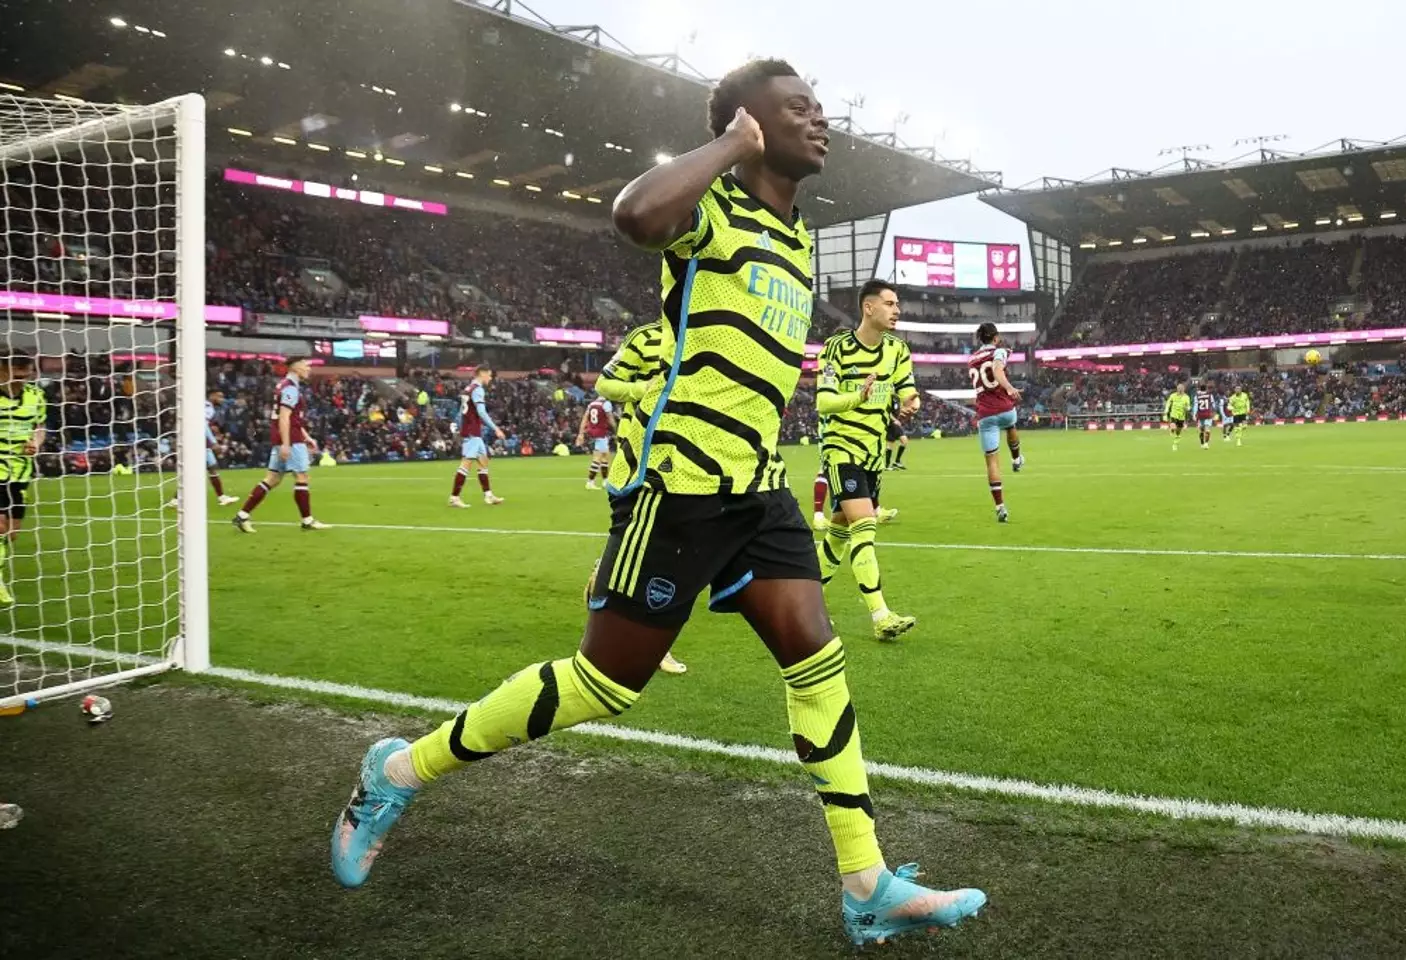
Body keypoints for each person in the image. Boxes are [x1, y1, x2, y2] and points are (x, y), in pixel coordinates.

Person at [329, 59, 985, 948]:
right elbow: (635, 216)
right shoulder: (712, 208)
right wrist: (723, 146)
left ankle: (866, 882)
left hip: (759, 490)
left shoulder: (797, 241)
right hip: (678, 493)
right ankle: (398, 770)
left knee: (817, 663)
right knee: (605, 684)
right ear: (750, 125)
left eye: (820, 108)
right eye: (798, 109)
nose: (820, 120)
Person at [814, 279, 919, 642]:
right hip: (841, 448)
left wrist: (910, 401)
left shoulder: (897, 350)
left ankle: (806, 603)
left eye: (898, 304)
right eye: (890, 303)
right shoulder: (835, 349)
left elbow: (907, 387)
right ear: (868, 308)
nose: (897, 310)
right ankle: (880, 614)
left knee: (840, 532)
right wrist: (857, 397)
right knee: (865, 525)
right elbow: (823, 403)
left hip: (874, 455)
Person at [595, 321, 686, 674]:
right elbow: (605, 382)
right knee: (660, 546)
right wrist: (644, 389)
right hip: (642, 455)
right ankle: (651, 644)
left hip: (687, 455)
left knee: (665, 545)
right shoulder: (644, 337)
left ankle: (602, 582)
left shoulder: (706, 330)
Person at [232, 357, 329, 533]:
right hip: (290, 439)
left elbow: (291, 417)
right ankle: (307, 520)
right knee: (302, 477)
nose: (309, 369)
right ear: (296, 367)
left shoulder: (283, 385)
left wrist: (306, 436)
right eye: (306, 366)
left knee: (273, 478)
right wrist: (286, 444)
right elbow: (284, 417)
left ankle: (242, 516)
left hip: (286, 436)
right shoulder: (290, 388)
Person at [0, 350, 46, 605]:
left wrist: (35, 443)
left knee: (11, 534)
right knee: (0, 526)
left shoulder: (36, 396)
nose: (20, 381)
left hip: (20, 470)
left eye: (25, 375)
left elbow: (40, 427)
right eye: (15, 375)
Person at [967, 323, 1023, 523]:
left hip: (986, 414)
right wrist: (1008, 387)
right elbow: (998, 370)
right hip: (1005, 408)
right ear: (996, 337)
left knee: (992, 461)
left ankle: (1000, 507)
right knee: (1010, 425)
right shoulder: (999, 351)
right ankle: (1016, 459)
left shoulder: (971, 359)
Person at [448, 369, 505, 508]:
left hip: (471, 429)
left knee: (483, 462)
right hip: (472, 430)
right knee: (466, 463)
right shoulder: (478, 389)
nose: (490, 378)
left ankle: (488, 495)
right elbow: (481, 412)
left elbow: (463, 409)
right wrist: (495, 428)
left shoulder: (468, 388)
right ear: (482, 374)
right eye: (489, 375)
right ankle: (454, 497)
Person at [574, 397, 615, 490]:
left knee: (605, 457)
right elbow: (610, 419)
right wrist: (616, 429)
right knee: (598, 458)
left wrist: (581, 433)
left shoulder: (592, 404)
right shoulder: (606, 404)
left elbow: (585, 419)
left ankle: (605, 481)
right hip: (601, 432)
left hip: (593, 431)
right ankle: (590, 482)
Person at [1164, 381, 1191, 452]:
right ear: (1177, 389)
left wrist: (1187, 408)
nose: (1180, 390)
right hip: (1174, 414)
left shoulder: (1186, 397)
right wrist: (1166, 409)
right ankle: (1172, 429)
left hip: (1181, 416)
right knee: (1173, 425)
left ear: (1183, 390)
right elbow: (1168, 402)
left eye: (1181, 389)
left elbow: (1188, 406)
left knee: (1178, 431)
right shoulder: (1173, 395)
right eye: (1179, 389)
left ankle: (1175, 444)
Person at [1194, 381, 1217, 449]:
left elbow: (1195, 406)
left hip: (1200, 414)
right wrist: (1214, 412)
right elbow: (1213, 405)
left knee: (1201, 430)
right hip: (1208, 414)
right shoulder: (1210, 395)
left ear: (1199, 388)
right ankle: (1206, 444)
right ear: (1206, 388)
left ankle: (1202, 443)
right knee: (1207, 429)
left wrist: (1194, 414)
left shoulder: (1197, 396)